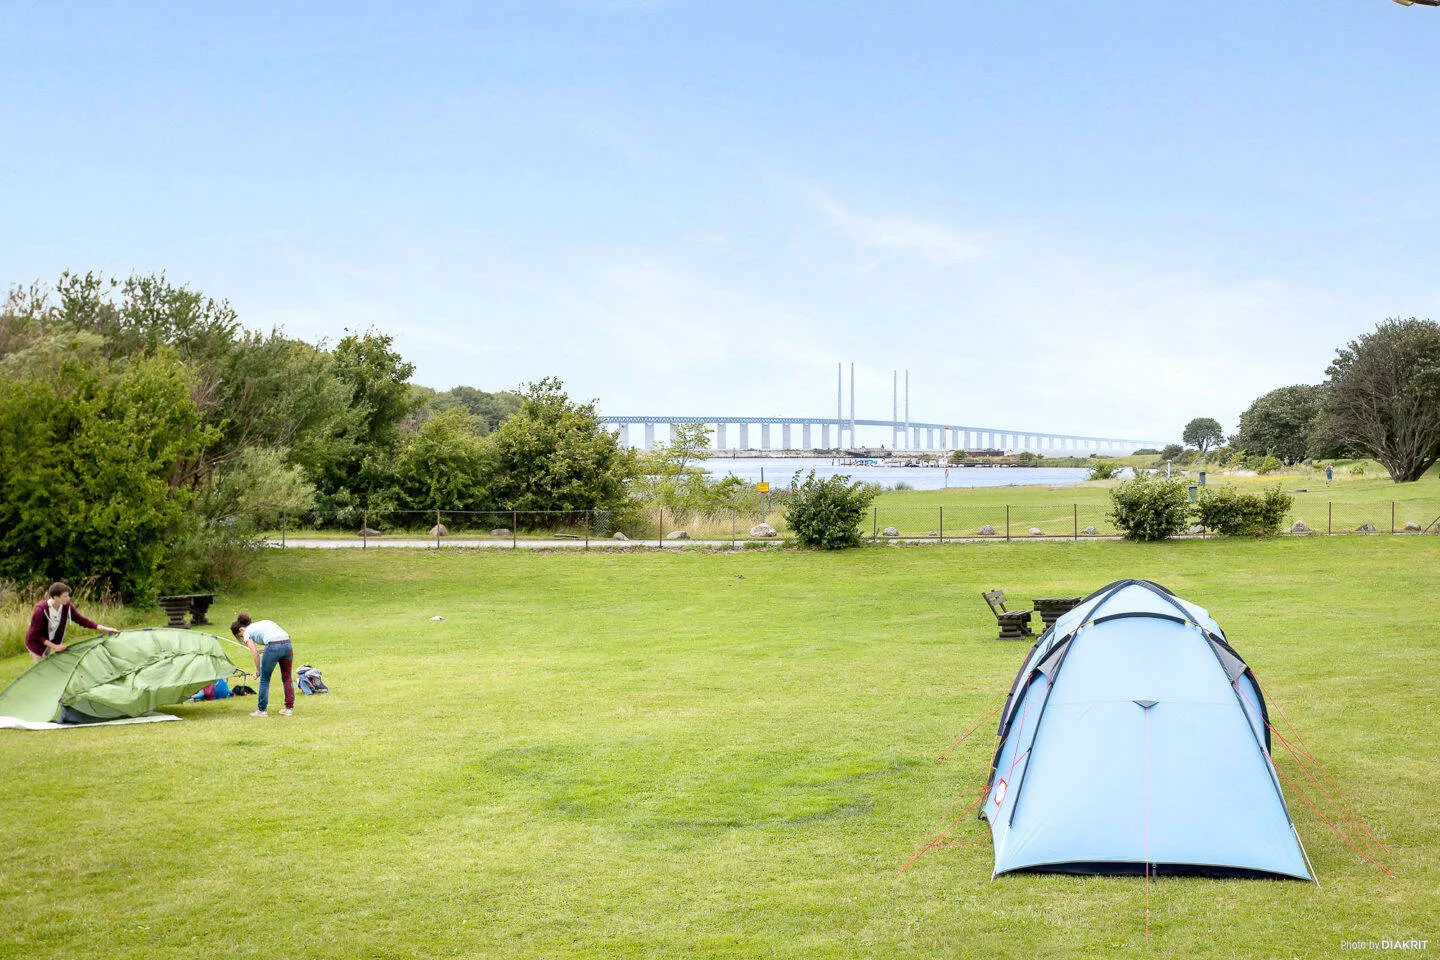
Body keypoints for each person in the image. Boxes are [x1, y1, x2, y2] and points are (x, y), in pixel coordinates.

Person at [24, 582, 118, 663]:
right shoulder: (41, 610)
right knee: (42, 670)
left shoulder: (66, 606)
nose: (68, 598)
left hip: (49, 640)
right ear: (55, 597)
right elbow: (35, 635)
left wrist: (105, 629)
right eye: (65, 596)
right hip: (35, 643)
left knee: (48, 664)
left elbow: (82, 620)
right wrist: (55, 646)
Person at [230, 612, 295, 718]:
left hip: (273, 646)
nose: (242, 637)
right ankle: (289, 709)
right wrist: (266, 650)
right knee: (287, 677)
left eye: (240, 636)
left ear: (241, 630)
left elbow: (254, 653)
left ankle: (262, 710)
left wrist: (258, 671)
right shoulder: (263, 623)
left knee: (265, 678)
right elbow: (280, 640)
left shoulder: (247, 632)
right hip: (287, 644)